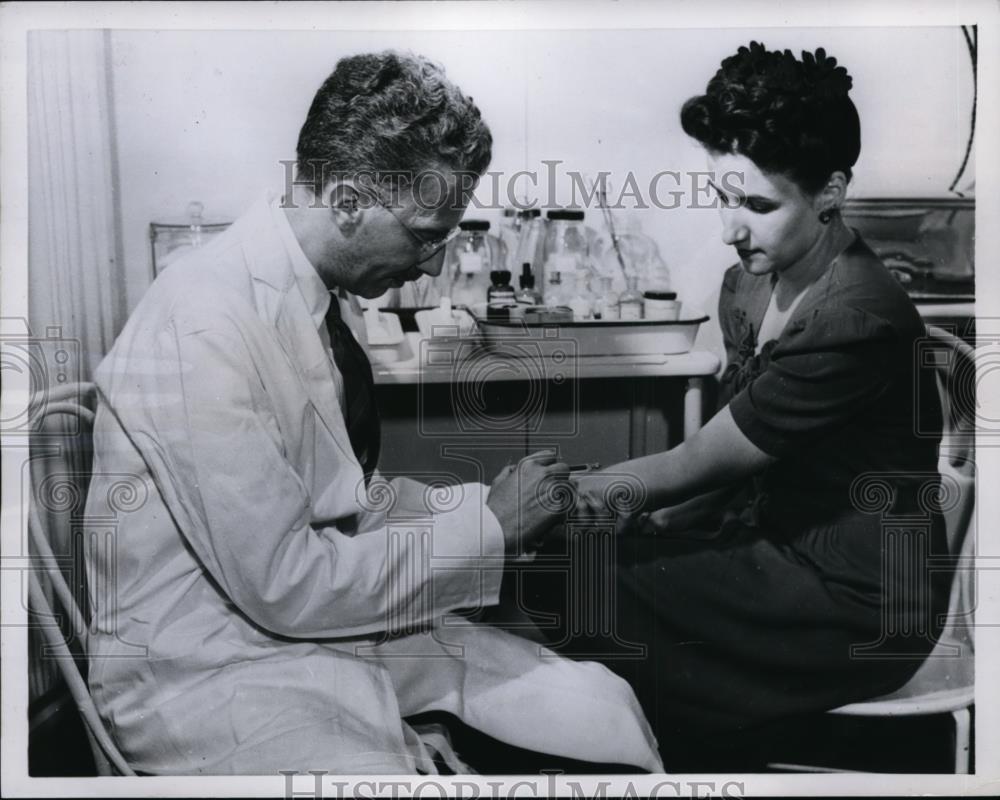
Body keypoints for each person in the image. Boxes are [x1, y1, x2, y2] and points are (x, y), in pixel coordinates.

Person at [83, 51, 661, 775]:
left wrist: (493, 505)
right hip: (202, 666)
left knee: (597, 706)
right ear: (351, 201)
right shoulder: (202, 322)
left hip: (292, 629)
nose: (429, 267)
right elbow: (286, 583)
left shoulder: (320, 300)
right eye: (424, 234)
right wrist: (489, 527)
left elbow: (346, 503)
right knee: (385, 771)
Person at [523, 42, 951, 770]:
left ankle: (702, 752)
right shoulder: (749, 286)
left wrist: (547, 502)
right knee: (573, 560)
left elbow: (699, 460)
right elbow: (734, 468)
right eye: (722, 197)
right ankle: (693, 740)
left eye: (757, 204)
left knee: (569, 575)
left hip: (861, 601)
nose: (730, 228)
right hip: (776, 548)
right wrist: (626, 512)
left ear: (830, 192)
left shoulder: (857, 317)